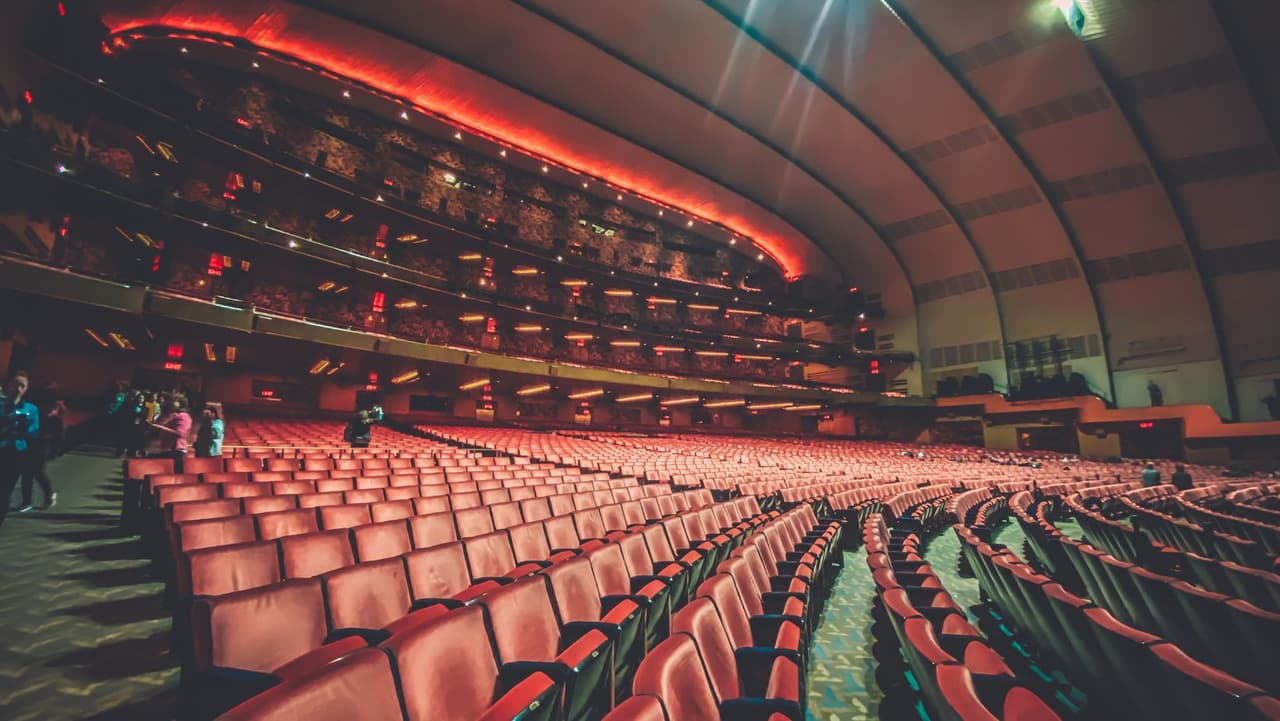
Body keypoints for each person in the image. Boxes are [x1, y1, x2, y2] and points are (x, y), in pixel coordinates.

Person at [0, 371, 40, 526]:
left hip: (16, 454)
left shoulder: (31, 409)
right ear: (8, 385)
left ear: (26, 389)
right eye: (15, 384)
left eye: (22, 385)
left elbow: (34, 432)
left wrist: (23, 429)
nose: (18, 388)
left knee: (5, 490)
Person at [149, 394, 192, 472]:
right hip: (166, 448)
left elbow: (181, 433)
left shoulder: (183, 416)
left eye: (175, 401)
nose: (172, 403)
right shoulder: (171, 414)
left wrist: (161, 428)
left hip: (176, 449)